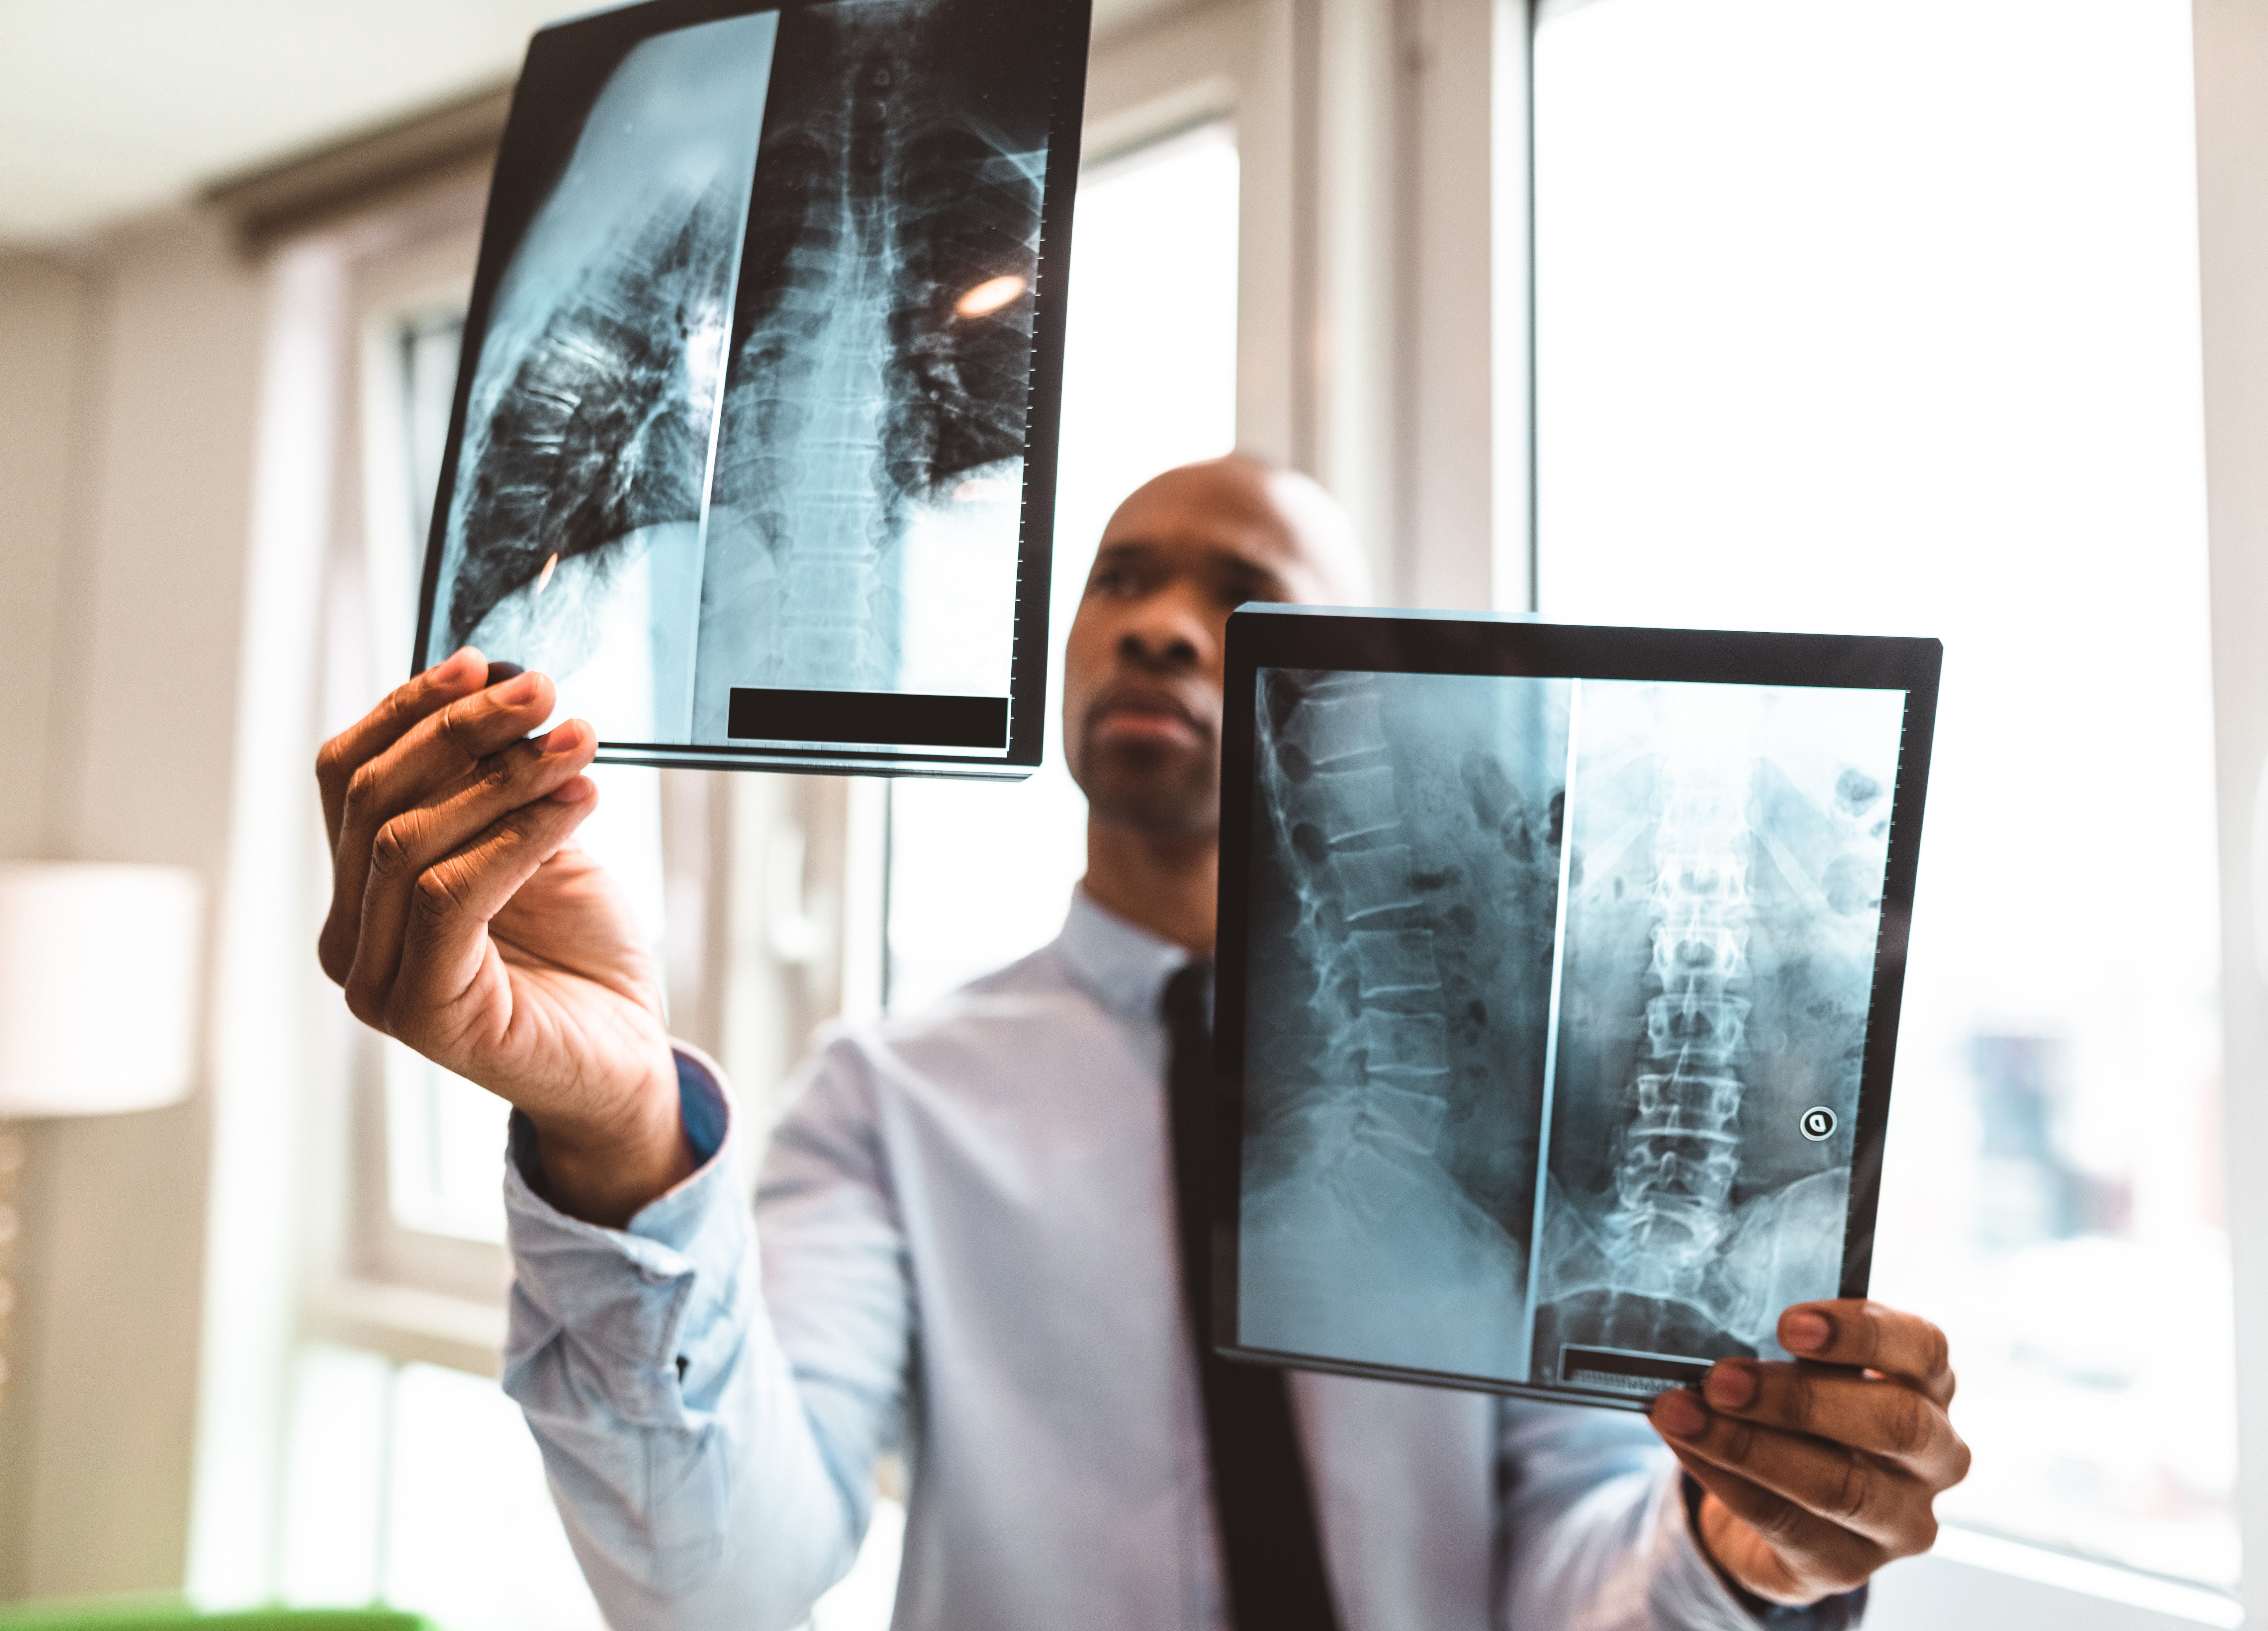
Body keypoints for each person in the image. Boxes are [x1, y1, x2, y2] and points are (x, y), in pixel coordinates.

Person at [315, 456, 1968, 1631]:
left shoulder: (1515, 1109)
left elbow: (1571, 1572)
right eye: (1123, 576)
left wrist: (1732, 1548)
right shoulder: (892, 1102)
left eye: (1245, 598)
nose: (1168, 622)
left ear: (1367, 700)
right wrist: (616, 1132)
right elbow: (720, 1586)